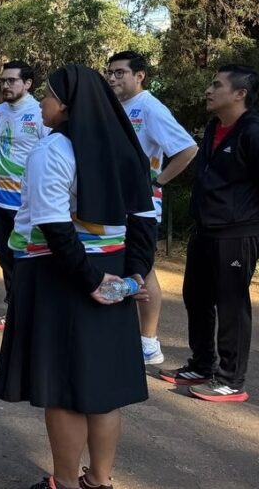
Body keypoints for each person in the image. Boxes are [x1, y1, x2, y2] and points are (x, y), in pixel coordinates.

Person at [0, 64, 157, 489]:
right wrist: (133, 277)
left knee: (64, 389)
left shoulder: (53, 151)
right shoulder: (127, 149)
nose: (43, 104)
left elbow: (54, 226)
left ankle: (63, 483)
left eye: (48, 95)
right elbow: (144, 220)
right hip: (113, 272)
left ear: (66, 106)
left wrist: (89, 282)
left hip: (60, 276)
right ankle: (99, 482)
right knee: (102, 386)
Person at [160, 65, 259, 402]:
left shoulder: (256, 132)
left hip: (240, 230)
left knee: (231, 303)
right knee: (196, 296)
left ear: (239, 93)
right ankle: (202, 364)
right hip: (207, 228)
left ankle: (230, 379)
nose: (209, 90)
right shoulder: (214, 127)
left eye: (216, 85)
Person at [106, 51, 198, 366]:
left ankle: (149, 343)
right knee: (125, 266)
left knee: (141, 270)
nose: (113, 78)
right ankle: (126, 336)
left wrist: (156, 183)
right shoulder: (116, 107)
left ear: (139, 76)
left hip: (141, 207)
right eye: (110, 73)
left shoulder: (149, 108)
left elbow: (187, 149)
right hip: (116, 204)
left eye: (120, 73)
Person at [0, 61, 50, 330]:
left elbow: (51, 152)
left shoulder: (40, 112)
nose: (5, 86)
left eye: (11, 81)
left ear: (28, 84)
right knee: (6, 258)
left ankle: (32, 313)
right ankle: (14, 310)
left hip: (28, 202)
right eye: (2, 81)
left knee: (28, 257)